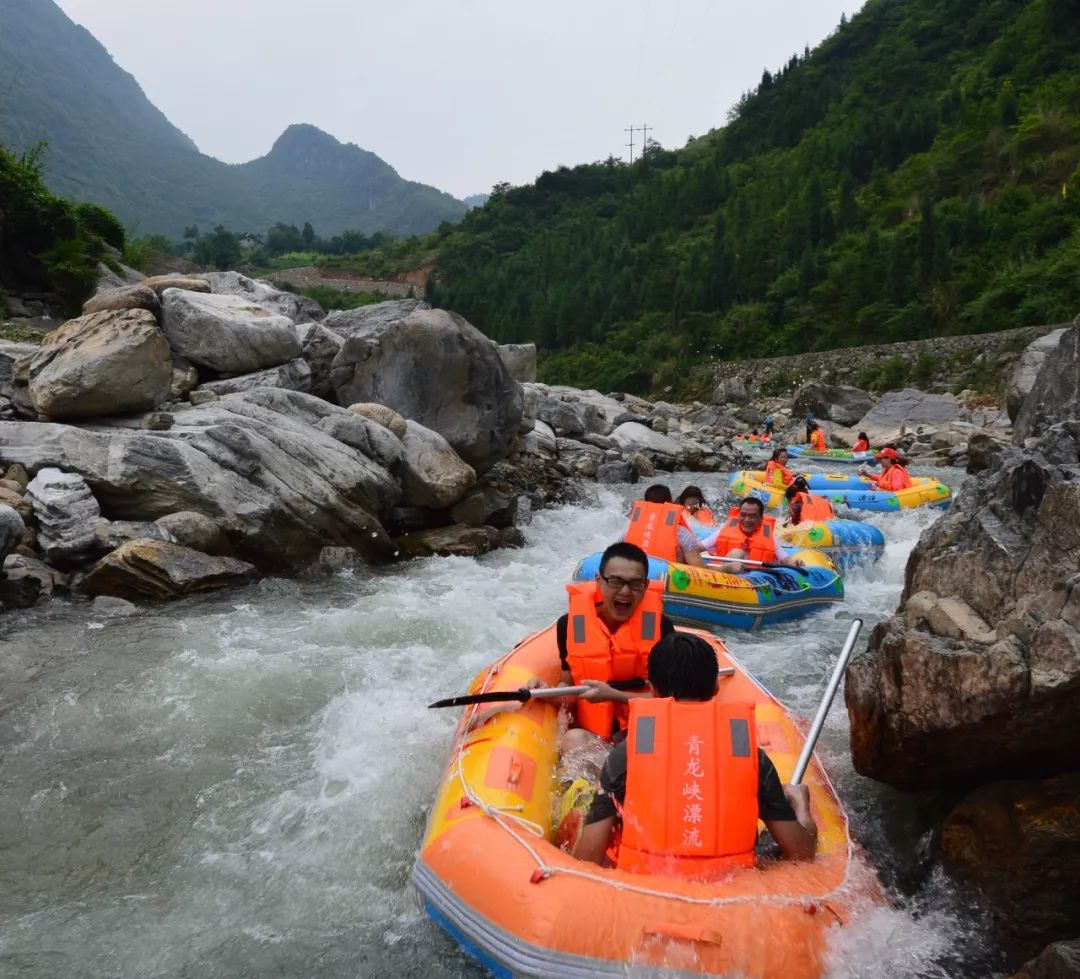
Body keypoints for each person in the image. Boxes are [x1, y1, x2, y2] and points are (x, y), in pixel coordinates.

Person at [574, 632, 818, 871]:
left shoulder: (626, 755)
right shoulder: (751, 757)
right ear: (716, 686)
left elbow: (588, 857)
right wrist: (801, 804)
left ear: (654, 691)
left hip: (648, 882)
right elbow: (801, 853)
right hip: (731, 884)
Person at [557, 542, 676, 741]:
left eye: (635, 584)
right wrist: (543, 691)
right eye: (616, 582)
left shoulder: (661, 628)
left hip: (643, 731)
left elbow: (671, 698)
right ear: (599, 581)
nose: (625, 592)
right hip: (593, 733)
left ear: (646, 586)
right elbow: (568, 686)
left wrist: (613, 695)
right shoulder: (569, 625)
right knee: (573, 739)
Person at [701, 497, 802, 572]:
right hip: (724, 574)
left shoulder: (771, 539)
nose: (747, 520)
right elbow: (696, 548)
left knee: (737, 553)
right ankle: (722, 570)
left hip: (754, 580)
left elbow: (785, 560)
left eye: (752, 516)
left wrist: (795, 563)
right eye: (743, 515)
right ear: (738, 515)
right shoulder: (722, 532)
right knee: (737, 553)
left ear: (761, 518)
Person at [624, 484, 706, 567]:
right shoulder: (681, 534)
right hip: (669, 573)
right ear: (671, 503)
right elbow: (698, 566)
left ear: (646, 503)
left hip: (635, 571)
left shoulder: (629, 530)